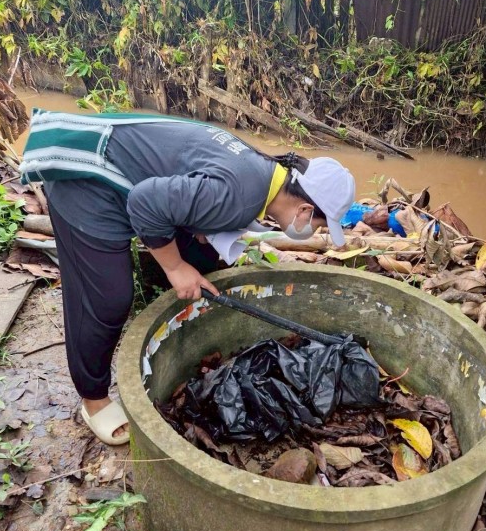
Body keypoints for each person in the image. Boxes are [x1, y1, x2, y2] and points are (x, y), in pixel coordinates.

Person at [20, 109, 356, 445]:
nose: (313, 231)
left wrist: (198, 232)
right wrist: (175, 268)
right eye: (320, 226)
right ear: (305, 210)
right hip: (86, 179)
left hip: (129, 165)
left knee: (203, 255)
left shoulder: (265, 174)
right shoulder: (240, 196)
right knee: (107, 298)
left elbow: (193, 185)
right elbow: (145, 202)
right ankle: (93, 400)